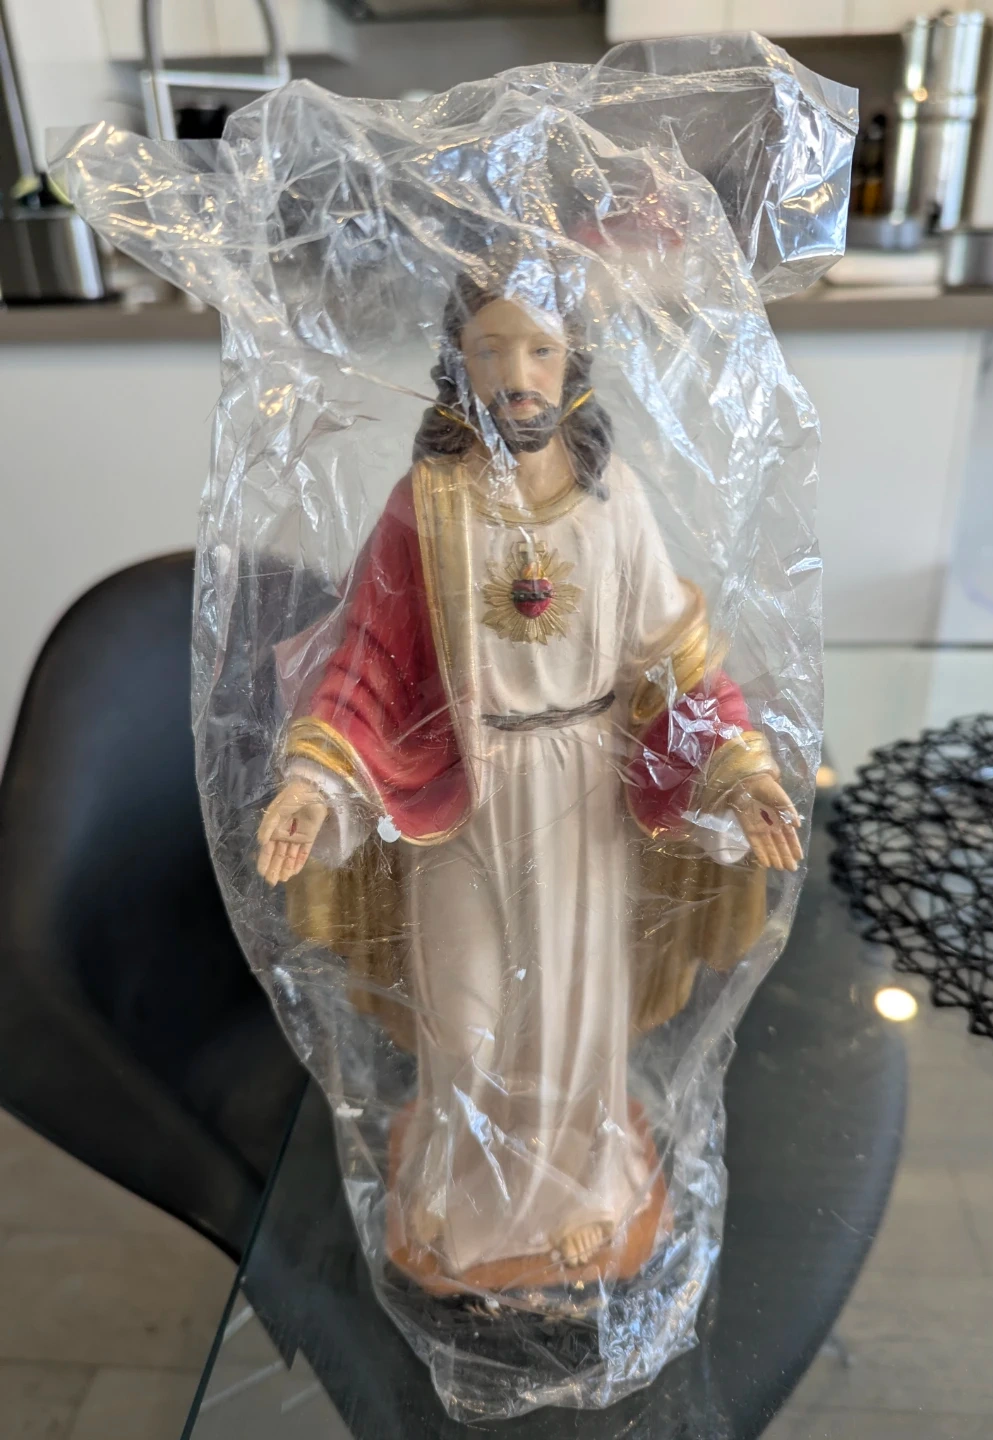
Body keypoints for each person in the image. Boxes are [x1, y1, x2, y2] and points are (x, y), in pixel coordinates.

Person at [255, 261, 802, 1283]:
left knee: (568, 1014)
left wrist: (736, 768)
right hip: (465, 788)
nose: (516, 376)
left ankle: (577, 1186)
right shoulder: (426, 504)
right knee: (464, 1016)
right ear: (458, 365)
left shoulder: (614, 501)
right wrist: (313, 784)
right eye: (490, 350)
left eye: (539, 350)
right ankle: (461, 1170)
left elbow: (672, 659)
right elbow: (369, 659)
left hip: (582, 789)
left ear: (572, 362)